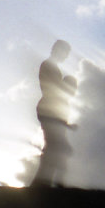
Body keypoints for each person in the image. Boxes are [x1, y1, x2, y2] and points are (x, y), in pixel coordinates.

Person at [32, 40, 75, 187]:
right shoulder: (48, 66)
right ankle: (45, 184)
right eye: (66, 53)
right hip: (48, 111)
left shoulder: (53, 67)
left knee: (59, 148)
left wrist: (66, 123)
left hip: (52, 113)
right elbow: (51, 90)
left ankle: (49, 183)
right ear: (58, 50)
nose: (66, 57)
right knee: (57, 148)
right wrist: (66, 85)